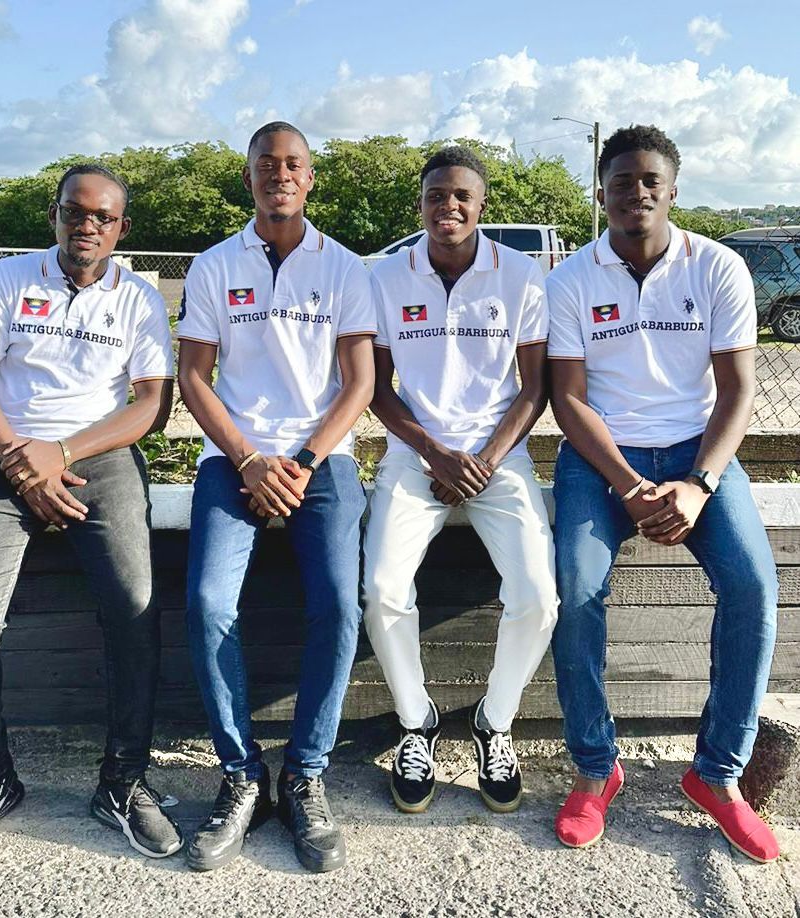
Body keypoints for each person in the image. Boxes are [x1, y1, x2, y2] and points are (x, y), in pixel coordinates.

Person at [0, 164, 183, 860]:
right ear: (55, 215)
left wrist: (63, 451)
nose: (87, 226)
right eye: (75, 212)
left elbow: (152, 406)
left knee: (136, 609)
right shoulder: (11, 277)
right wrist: (21, 456)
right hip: (3, 454)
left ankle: (123, 782)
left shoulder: (138, 298)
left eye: (103, 217)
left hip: (99, 457)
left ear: (122, 228)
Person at [547, 125, 779, 862]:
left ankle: (717, 775)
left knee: (754, 588)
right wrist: (630, 485)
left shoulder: (717, 267)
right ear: (602, 193)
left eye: (651, 180)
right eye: (622, 181)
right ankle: (595, 767)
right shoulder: (571, 278)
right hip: (601, 459)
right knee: (575, 587)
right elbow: (568, 399)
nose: (636, 192)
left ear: (673, 190)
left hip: (697, 453)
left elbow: (738, 390)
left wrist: (699, 484)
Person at [177, 121, 376, 873]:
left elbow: (360, 382)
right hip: (233, 459)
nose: (280, 175)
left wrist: (302, 461)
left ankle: (304, 775)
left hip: (320, 462)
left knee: (341, 606)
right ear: (250, 177)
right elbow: (194, 377)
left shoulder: (345, 267)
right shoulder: (213, 265)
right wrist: (250, 459)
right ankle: (241, 775)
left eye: (293, 164)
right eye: (267, 164)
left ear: (310, 177)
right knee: (208, 603)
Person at [362, 146, 559, 815]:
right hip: (414, 457)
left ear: (481, 205)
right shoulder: (387, 277)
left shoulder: (522, 275)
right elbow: (376, 388)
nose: (448, 206)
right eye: (435, 195)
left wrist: (484, 461)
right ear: (420, 204)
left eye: (461, 196)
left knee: (539, 597)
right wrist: (434, 452)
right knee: (382, 590)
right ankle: (416, 723)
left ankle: (493, 723)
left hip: (499, 458)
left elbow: (535, 388)